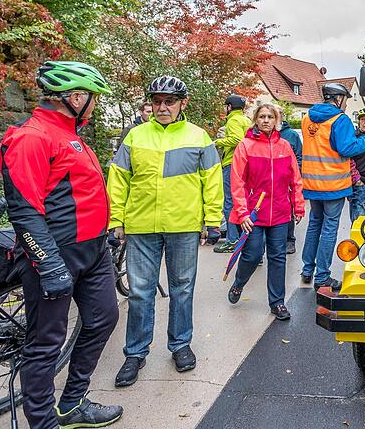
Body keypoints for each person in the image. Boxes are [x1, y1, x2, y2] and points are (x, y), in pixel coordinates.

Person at [0, 61, 121, 429]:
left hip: (93, 250)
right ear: (76, 97)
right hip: (54, 254)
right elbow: (24, 209)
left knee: (103, 319)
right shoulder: (32, 137)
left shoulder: (69, 131)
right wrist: (48, 265)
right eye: (94, 98)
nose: (96, 104)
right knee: (45, 344)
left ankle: (71, 405)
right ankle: (42, 422)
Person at [108, 76, 223, 387]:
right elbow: (118, 179)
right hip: (141, 226)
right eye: (157, 101)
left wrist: (213, 221)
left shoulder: (199, 137)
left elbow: (212, 180)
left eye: (169, 101)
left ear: (182, 104)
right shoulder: (135, 136)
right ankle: (135, 353)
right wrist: (115, 220)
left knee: (182, 289)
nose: (162, 107)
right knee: (141, 293)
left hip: (183, 226)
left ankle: (180, 345)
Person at [226, 104, 305, 320]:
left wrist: (298, 205)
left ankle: (277, 303)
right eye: (262, 116)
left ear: (277, 120)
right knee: (252, 255)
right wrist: (242, 213)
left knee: (278, 257)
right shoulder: (246, 146)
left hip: (280, 212)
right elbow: (237, 182)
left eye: (270, 116)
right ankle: (239, 283)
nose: (266, 120)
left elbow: (295, 179)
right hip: (253, 214)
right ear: (256, 120)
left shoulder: (285, 146)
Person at [300, 83, 365, 291]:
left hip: (312, 183)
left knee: (314, 225)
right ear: (338, 99)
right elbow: (347, 148)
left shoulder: (308, 118)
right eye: (345, 99)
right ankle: (323, 277)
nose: (346, 104)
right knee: (329, 229)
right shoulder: (339, 119)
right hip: (333, 184)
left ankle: (307, 270)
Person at [213, 94, 252, 253]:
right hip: (246, 164)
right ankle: (244, 238)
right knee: (242, 201)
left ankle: (232, 240)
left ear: (229, 107)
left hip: (232, 163)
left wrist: (218, 142)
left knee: (229, 202)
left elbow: (237, 139)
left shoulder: (233, 120)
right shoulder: (246, 120)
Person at [278, 109, 303, 255]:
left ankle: (289, 241)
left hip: (287, 180)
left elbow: (299, 156)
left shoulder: (291, 135)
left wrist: (295, 173)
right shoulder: (262, 135)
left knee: (288, 211)